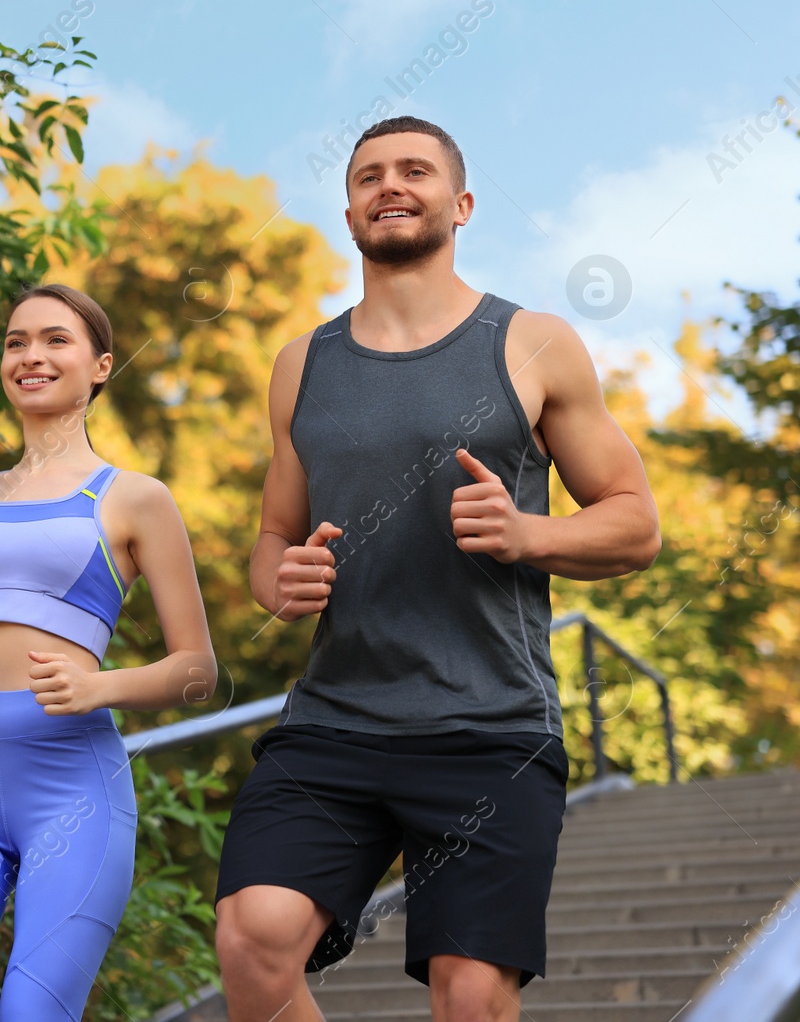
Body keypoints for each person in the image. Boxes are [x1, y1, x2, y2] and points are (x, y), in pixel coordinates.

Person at [213, 116, 661, 1022]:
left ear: (459, 204)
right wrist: (280, 582)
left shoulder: (531, 342)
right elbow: (272, 538)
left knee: (470, 993)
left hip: (489, 725)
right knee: (253, 935)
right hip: (337, 720)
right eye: (370, 175)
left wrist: (528, 535)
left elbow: (635, 523)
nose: (391, 184)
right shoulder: (302, 362)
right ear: (348, 213)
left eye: (415, 170)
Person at [0, 282, 219, 1021]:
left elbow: (198, 669)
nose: (31, 355)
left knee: (34, 1013)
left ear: (100, 365)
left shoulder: (135, 498)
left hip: (71, 786)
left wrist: (101, 687)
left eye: (54, 340)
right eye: (15, 341)